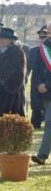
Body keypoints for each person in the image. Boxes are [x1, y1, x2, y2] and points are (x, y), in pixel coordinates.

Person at [0, 27, 27, 161]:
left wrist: (4, 85)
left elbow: (19, 73)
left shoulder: (17, 52)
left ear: (11, 40)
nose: (1, 40)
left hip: (11, 93)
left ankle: (12, 149)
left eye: (4, 38)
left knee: (11, 121)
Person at [31, 21, 51, 165]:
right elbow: (36, 69)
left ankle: (42, 155)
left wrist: (48, 85)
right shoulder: (41, 48)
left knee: (49, 122)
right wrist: (39, 84)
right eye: (49, 32)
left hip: (48, 88)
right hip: (45, 92)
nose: (49, 36)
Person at [28, 26, 47, 129]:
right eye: (40, 37)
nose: (41, 40)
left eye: (44, 37)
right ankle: (36, 124)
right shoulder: (34, 51)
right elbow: (31, 66)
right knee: (36, 105)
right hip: (36, 80)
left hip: (47, 80)